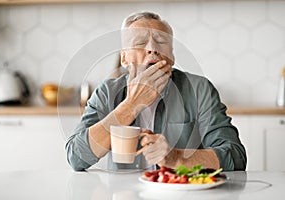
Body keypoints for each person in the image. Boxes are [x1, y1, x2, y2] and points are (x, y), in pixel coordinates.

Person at [65, 11, 247, 171]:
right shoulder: (107, 92)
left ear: (172, 56)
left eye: (161, 41)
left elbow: (236, 156)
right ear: (124, 58)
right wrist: (131, 105)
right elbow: (76, 157)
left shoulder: (199, 89)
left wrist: (177, 158)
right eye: (140, 42)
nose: (152, 49)